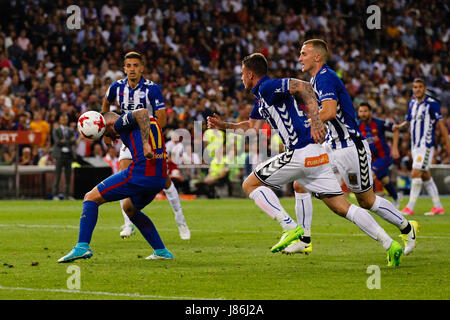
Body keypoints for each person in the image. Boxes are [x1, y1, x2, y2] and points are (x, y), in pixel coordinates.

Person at [208, 53, 403, 266]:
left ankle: (290, 226)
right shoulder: (261, 98)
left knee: (250, 184)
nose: (242, 78)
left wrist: (317, 121)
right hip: (316, 155)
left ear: (250, 74)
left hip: (301, 152)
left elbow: (303, 86)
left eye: (243, 74)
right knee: (339, 205)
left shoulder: (267, 87)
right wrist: (225, 126)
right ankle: (389, 243)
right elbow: (252, 127)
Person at [288, 39, 418, 257]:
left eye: (303, 53)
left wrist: (306, 124)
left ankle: (407, 227)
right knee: (300, 182)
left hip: (350, 147)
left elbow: (328, 112)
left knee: (366, 201)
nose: (299, 58)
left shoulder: (325, 78)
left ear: (317, 57)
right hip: (332, 145)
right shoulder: (315, 80)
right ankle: (304, 238)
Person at [58, 109, 174, 262]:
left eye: (107, 134)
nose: (112, 139)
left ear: (110, 124)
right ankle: (161, 251)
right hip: (158, 178)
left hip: (140, 174)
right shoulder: (150, 122)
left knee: (91, 197)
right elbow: (143, 118)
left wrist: (145, 144)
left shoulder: (120, 123)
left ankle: (82, 246)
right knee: (129, 208)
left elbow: (141, 112)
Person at [102, 51, 190, 240]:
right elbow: (106, 105)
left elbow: (162, 118)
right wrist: (105, 130)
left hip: (150, 138)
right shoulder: (116, 87)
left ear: (142, 68)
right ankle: (128, 224)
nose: (132, 69)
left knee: (164, 179)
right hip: (127, 139)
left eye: (135, 65)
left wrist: (151, 138)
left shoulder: (152, 89)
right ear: (124, 68)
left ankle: (180, 220)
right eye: (128, 66)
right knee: (122, 175)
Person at [392, 78, 450, 216]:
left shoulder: (432, 104)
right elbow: (408, 120)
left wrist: (447, 144)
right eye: (415, 87)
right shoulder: (412, 103)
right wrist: (398, 126)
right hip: (415, 145)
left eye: (420, 87)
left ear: (424, 89)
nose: (417, 89)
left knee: (416, 173)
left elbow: (441, 126)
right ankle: (438, 207)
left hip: (426, 145)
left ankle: (409, 207)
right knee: (425, 176)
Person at [357, 102, 399, 207]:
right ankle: (396, 198)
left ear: (370, 112)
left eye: (365, 111)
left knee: (370, 175)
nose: (363, 114)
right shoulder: (357, 125)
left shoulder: (379, 123)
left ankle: (371, 203)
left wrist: (394, 148)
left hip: (383, 156)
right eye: (361, 111)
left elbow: (395, 129)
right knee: (384, 180)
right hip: (370, 158)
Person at [51, 113, 76, 200]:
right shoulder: (56, 130)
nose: (64, 120)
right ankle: (55, 195)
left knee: (68, 176)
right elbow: (58, 142)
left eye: (65, 119)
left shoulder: (70, 130)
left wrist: (64, 141)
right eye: (62, 119)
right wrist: (69, 141)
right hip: (59, 154)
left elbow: (74, 141)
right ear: (60, 120)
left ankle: (67, 195)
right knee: (57, 175)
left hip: (68, 154)